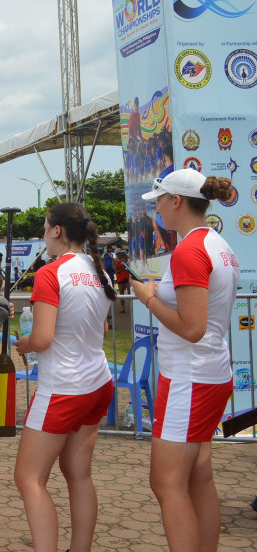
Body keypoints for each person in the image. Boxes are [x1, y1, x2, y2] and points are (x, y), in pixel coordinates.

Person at [130, 170, 238, 552]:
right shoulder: (216, 243)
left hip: (190, 379)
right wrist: (162, 293)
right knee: (198, 479)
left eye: (158, 200)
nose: (156, 209)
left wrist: (148, 297)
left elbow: (192, 328)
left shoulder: (190, 250)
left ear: (176, 201)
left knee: (166, 482)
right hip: (208, 373)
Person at [12, 203, 116, 552]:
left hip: (63, 389)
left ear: (57, 231)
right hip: (97, 382)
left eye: (44, 229)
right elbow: (100, 329)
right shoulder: (100, 271)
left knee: (28, 478)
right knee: (79, 474)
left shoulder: (50, 273)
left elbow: (41, 338)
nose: (43, 236)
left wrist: (23, 344)